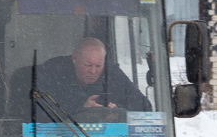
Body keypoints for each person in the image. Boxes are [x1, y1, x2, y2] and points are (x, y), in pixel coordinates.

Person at [11, 37, 150, 116]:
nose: (93, 71)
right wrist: (79, 107)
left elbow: (145, 107)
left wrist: (119, 109)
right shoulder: (53, 71)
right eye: (88, 65)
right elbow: (33, 111)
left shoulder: (112, 73)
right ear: (75, 58)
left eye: (98, 66)